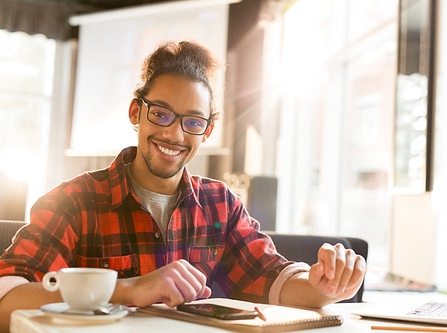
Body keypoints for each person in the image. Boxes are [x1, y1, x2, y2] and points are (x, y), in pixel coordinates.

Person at [0, 40, 366, 331]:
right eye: (160, 113)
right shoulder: (73, 200)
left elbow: (273, 280)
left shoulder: (220, 203)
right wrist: (129, 289)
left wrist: (322, 286)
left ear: (206, 131)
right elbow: (6, 300)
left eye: (192, 122)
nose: (173, 133)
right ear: (135, 113)